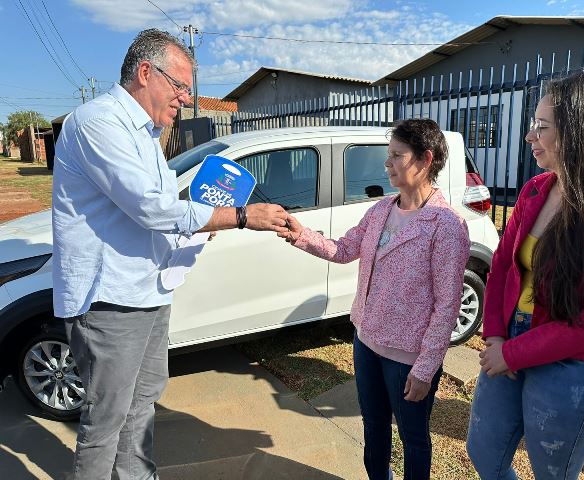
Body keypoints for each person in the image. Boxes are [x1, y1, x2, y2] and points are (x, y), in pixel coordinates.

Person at [53, 29, 288, 480]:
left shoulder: (148, 134)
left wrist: (199, 231)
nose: (184, 97)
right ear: (145, 72)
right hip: (111, 301)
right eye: (179, 85)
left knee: (141, 405)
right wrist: (238, 216)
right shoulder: (98, 122)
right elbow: (149, 207)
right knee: (106, 421)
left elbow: (156, 214)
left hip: (148, 291)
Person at [466, 71, 584, 479]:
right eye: (533, 125)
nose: (530, 137)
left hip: (575, 367)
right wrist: (496, 336)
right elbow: (503, 267)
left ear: (583, 133)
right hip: (510, 341)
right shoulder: (534, 190)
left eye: (541, 127)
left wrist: (510, 353)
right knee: (484, 453)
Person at [280, 119, 470, 480]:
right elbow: (343, 249)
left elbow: (448, 306)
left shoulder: (446, 225)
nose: (388, 164)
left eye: (397, 156)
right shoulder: (381, 210)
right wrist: (301, 234)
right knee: (374, 427)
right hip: (366, 343)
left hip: (408, 357)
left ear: (425, 159)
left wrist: (426, 368)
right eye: (389, 156)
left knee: (413, 439)